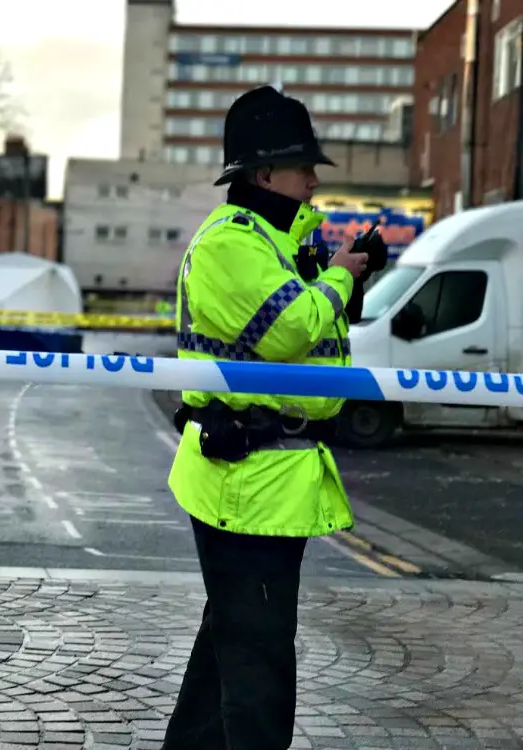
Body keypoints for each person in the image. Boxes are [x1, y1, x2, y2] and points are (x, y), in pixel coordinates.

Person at [161, 85, 371, 750]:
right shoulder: (230, 244)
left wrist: (340, 278)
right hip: (243, 479)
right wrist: (338, 279)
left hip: (270, 480)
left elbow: (316, 341)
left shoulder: (275, 245)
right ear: (262, 174)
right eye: (303, 166)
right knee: (259, 668)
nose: (313, 180)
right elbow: (288, 330)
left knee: (230, 653)